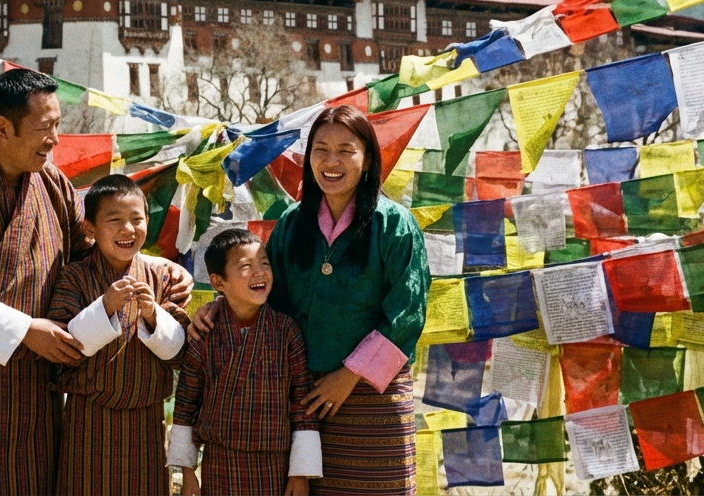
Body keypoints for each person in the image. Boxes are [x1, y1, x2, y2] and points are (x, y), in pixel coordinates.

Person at [0, 69, 191, 494]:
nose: (55, 139)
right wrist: (24, 330)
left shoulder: (51, 183)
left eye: (58, 125)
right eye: (46, 127)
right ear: (3, 128)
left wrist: (159, 268)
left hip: (37, 385)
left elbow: (90, 250)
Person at [190, 105, 429, 495]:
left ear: (368, 160)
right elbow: (266, 295)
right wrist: (223, 304)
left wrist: (348, 376)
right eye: (321, 150)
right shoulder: (292, 223)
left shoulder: (394, 224)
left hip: (374, 399)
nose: (331, 162)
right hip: (304, 398)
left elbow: (406, 315)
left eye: (346, 151)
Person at [49, 174, 190, 495]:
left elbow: (181, 352)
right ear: (89, 229)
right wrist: (105, 307)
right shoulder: (73, 277)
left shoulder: (164, 276)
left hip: (147, 423)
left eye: (137, 219)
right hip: (88, 422)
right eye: (114, 220)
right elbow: (62, 350)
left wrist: (153, 315)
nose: (128, 229)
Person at [167, 228, 322, 496]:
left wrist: (300, 473)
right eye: (246, 266)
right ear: (218, 282)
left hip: (275, 466)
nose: (259, 272)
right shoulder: (205, 332)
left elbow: (302, 404)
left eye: (264, 263)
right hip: (219, 464)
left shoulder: (286, 331)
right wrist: (187, 470)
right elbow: (186, 400)